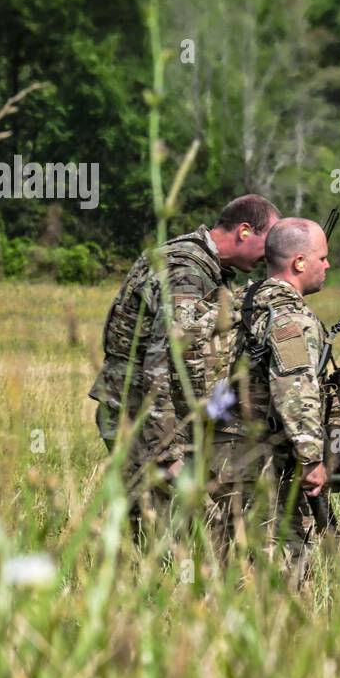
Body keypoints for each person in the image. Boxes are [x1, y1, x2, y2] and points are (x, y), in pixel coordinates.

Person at [90, 195, 278, 528]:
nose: (272, 253)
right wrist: (165, 451)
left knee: (156, 523)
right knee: (162, 523)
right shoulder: (187, 270)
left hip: (149, 413)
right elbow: (163, 365)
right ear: (245, 231)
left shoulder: (208, 266)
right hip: (139, 414)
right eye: (270, 241)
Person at [207, 218, 335, 579]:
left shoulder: (240, 303)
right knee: (275, 565)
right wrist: (311, 457)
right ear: (299, 263)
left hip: (219, 452)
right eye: (322, 257)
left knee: (228, 561)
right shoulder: (289, 316)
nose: (328, 265)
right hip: (257, 460)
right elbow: (294, 385)